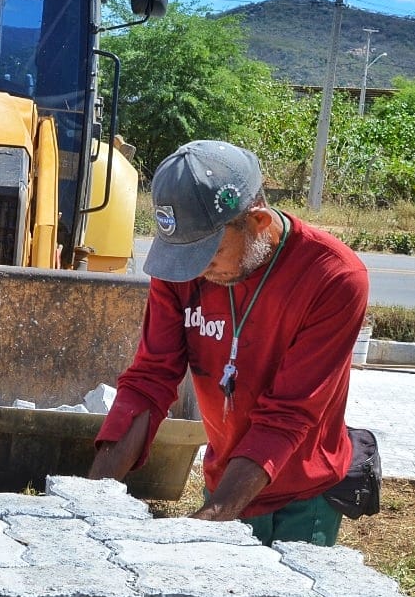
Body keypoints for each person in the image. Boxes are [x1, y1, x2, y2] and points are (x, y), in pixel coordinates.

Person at [90, 139, 369, 546]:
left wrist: (211, 519)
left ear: (256, 221)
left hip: (303, 496)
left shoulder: (332, 278)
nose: (196, 271)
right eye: (185, 256)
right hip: (225, 477)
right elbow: (151, 378)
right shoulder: (182, 269)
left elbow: (288, 415)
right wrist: (89, 497)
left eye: (210, 253)